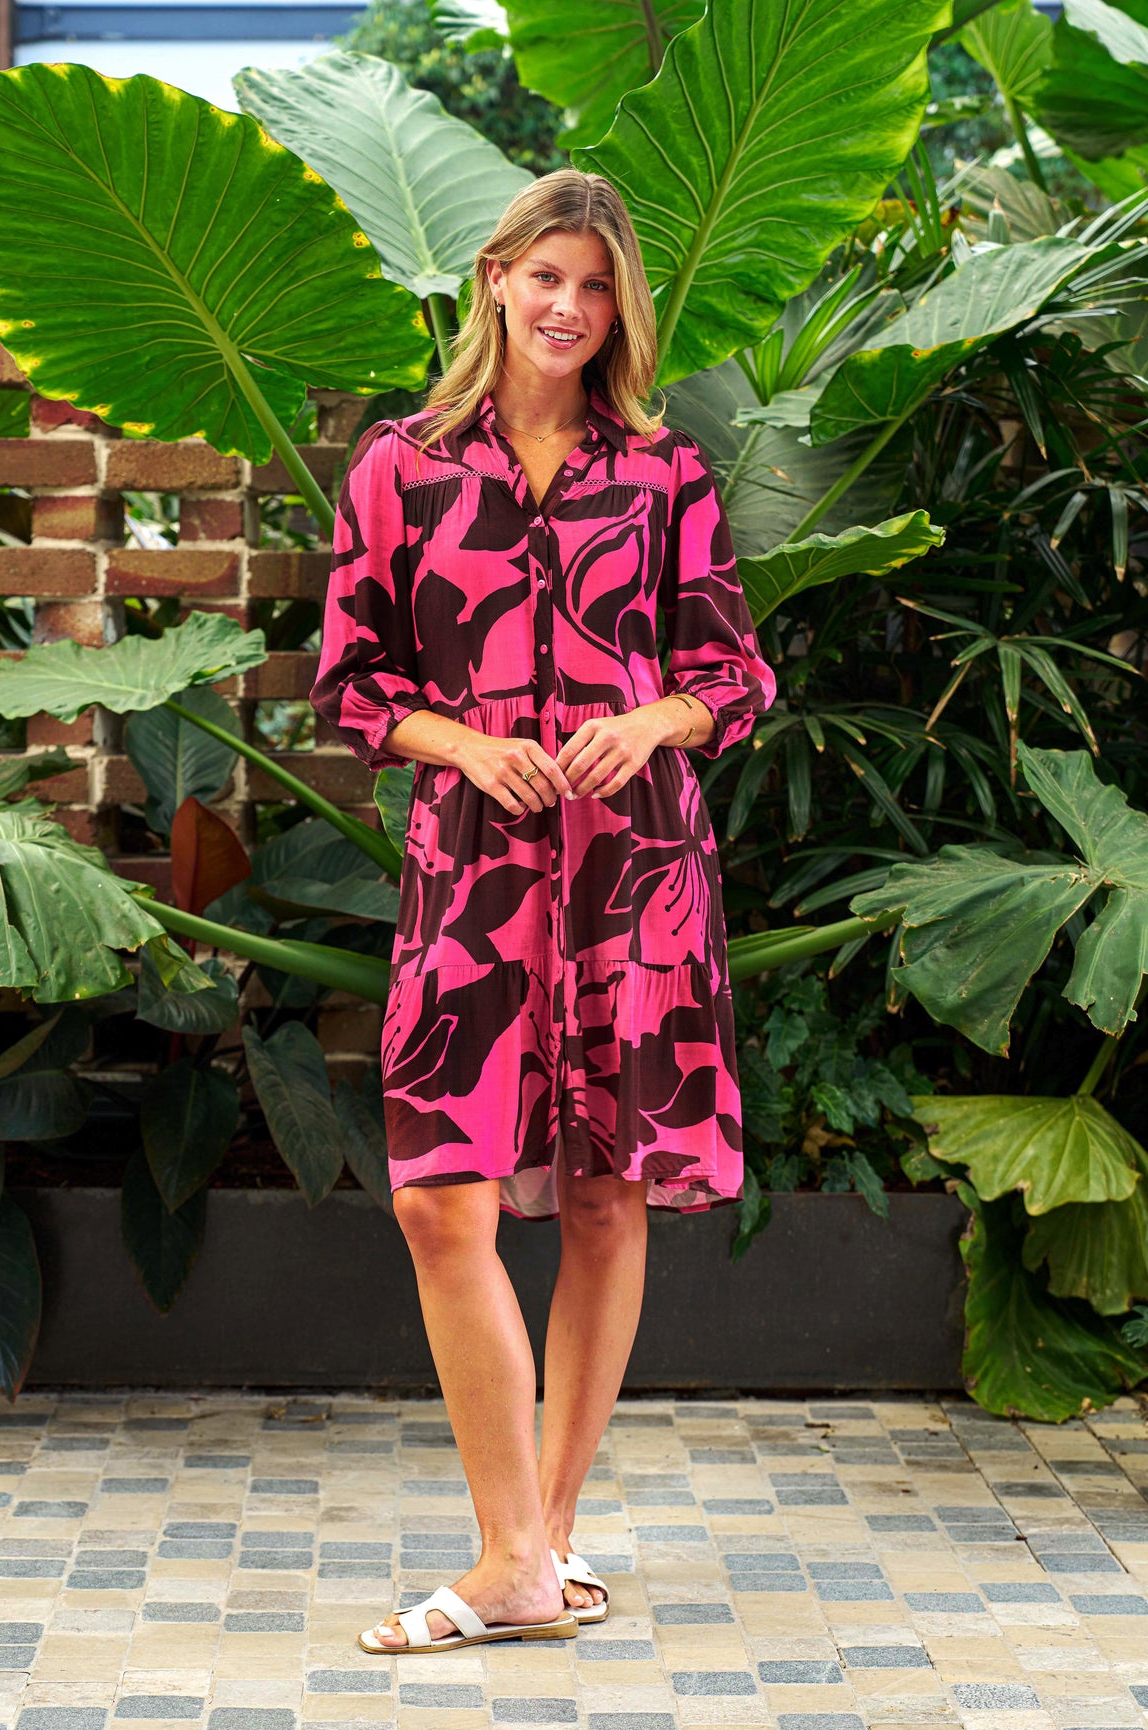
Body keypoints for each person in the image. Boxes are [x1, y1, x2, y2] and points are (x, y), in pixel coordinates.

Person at [310, 168, 775, 1655]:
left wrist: (650, 723)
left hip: (635, 873)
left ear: (619, 309)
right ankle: (519, 1552)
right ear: (496, 280)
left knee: (602, 1195)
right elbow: (351, 681)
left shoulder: (664, 476)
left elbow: (735, 676)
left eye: (596, 285)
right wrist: (462, 743)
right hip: (475, 871)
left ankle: (537, 1545)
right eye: (547, 276)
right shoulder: (401, 468)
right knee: (437, 1201)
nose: (569, 307)